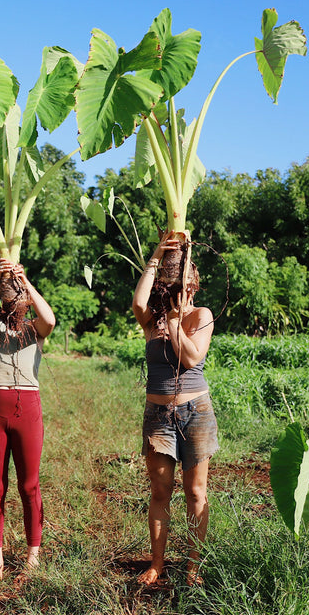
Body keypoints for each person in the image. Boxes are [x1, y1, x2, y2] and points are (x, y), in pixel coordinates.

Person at [132, 231, 217, 586]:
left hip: (194, 412)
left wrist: (177, 317)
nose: (186, 296)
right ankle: (157, 563)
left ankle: (193, 564)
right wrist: (156, 257)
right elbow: (138, 303)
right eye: (179, 290)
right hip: (158, 416)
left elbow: (192, 356)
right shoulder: (153, 320)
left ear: (194, 289)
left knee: (196, 492)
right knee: (160, 492)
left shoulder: (201, 316)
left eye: (188, 290)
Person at [0, 259, 55, 582]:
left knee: (29, 485)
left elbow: (50, 318)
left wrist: (25, 283)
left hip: (28, 411)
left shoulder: (35, 331)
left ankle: (32, 555)